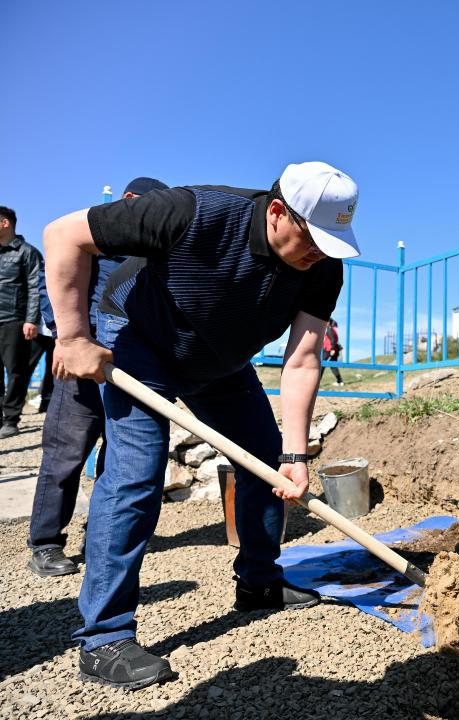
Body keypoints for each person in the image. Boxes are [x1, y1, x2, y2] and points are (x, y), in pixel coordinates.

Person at [45, 161, 358, 690]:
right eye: (314, 237)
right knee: (135, 476)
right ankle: (104, 638)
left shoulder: (324, 266)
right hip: (141, 341)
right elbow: (63, 235)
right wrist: (74, 336)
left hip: (221, 358)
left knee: (263, 459)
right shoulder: (191, 212)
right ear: (278, 213)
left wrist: (296, 455)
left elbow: (303, 361)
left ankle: (259, 583)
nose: (320, 253)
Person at [26, 178, 169, 579]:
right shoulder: (90, 234)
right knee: (66, 452)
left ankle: (101, 535)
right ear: (128, 201)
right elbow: (52, 285)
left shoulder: (154, 253)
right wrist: (65, 337)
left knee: (121, 456)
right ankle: (46, 543)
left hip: (131, 366)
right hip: (84, 362)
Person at [0, 206, 43, 439]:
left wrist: (31, 320)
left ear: (5, 223)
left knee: (16, 370)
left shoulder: (28, 252)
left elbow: (36, 288)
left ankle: (11, 418)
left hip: (15, 320)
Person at [322, 319, 343, 385]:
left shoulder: (329, 329)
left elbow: (333, 340)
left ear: (328, 323)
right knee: (333, 366)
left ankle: (317, 381)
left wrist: (332, 349)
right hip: (333, 350)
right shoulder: (332, 329)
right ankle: (340, 381)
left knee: (321, 364)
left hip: (329, 350)